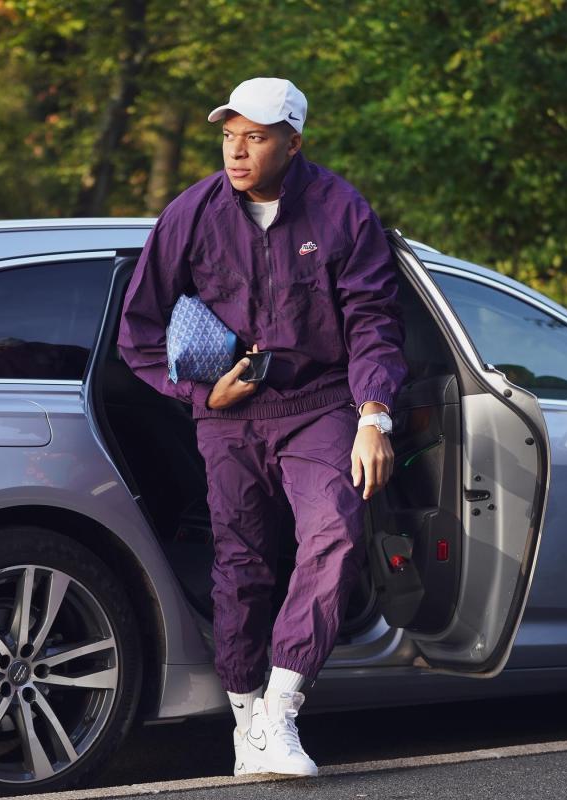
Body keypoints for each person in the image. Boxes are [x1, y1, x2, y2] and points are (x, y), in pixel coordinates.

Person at [117, 77, 408, 778]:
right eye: (229, 136)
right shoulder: (190, 214)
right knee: (240, 565)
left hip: (320, 403)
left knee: (335, 534)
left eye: (255, 137)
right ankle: (245, 720)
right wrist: (198, 390)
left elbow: (373, 321)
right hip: (229, 415)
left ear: (293, 142)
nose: (237, 152)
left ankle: (281, 709)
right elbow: (138, 331)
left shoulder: (342, 211)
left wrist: (374, 414)